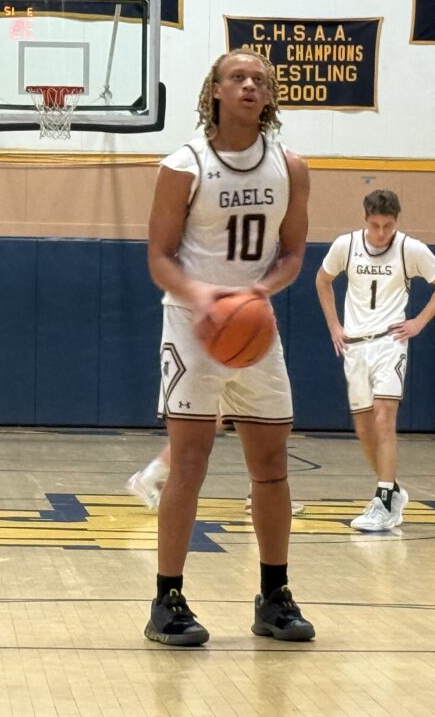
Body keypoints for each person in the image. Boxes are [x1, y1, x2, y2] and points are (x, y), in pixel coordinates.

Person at [143, 46, 314, 646]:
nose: (249, 85)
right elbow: (159, 259)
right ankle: (167, 600)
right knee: (189, 464)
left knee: (270, 466)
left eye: (259, 80)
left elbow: (293, 254)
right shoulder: (183, 166)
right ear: (214, 90)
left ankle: (274, 595)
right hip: (192, 328)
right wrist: (206, 297)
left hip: (255, 328)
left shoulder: (290, 165)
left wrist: (257, 293)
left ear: (269, 97)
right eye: (236, 77)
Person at [315, 190, 435, 532]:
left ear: (396, 220)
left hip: (390, 343)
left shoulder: (410, 248)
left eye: (388, 226)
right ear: (365, 218)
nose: (381, 233)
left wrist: (419, 322)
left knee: (384, 418)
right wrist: (334, 325)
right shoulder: (345, 246)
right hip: (355, 347)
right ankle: (391, 489)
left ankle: (384, 501)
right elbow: (323, 280)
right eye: (375, 225)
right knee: (364, 429)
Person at [126, 420, 307, 515]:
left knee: (255, 420)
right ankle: (149, 478)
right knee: (212, 421)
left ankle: (259, 495)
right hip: (230, 358)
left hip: (237, 357)